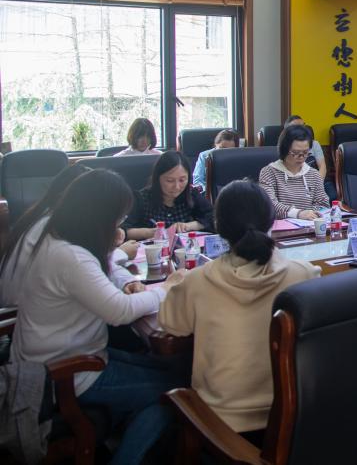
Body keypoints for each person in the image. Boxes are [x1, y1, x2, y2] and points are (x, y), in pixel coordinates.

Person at [10, 169, 183, 465]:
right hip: (64, 372)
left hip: (59, 357)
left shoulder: (56, 240)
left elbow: (96, 284)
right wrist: (166, 288)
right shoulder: (70, 256)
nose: (119, 225)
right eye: (118, 217)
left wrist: (124, 283)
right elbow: (119, 311)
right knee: (175, 392)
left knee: (167, 367)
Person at [158, 180, 319, 438]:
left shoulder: (197, 281)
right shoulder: (304, 274)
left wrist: (172, 285)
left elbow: (171, 325)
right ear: (271, 221)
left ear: (219, 226)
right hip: (291, 417)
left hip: (221, 422)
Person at [0, 165, 141, 303]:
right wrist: (120, 253)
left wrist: (126, 281)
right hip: (23, 308)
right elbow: (84, 267)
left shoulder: (43, 215)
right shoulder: (57, 227)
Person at [124, 151, 214, 240]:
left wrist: (188, 226)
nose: (177, 186)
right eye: (170, 181)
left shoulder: (191, 194)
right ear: (157, 178)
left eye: (182, 180)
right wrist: (151, 233)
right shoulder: (141, 199)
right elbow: (123, 231)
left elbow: (214, 218)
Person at [258, 124, 330, 219]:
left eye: (305, 153)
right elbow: (269, 204)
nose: (301, 157)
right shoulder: (269, 172)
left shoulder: (313, 174)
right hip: (280, 226)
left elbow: (323, 205)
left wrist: (310, 214)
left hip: (309, 225)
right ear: (284, 150)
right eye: (295, 153)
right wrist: (298, 214)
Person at [192, 128, 240, 193]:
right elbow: (197, 181)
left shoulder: (238, 158)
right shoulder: (204, 156)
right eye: (221, 148)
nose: (225, 153)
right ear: (215, 145)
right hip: (209, 193)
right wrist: (209, 191)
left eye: (229, 150)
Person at [282, 115, 327, 182]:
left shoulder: (314, 144)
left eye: (303, 126)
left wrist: (316, 184)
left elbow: (322, 167)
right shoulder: (283, 148)